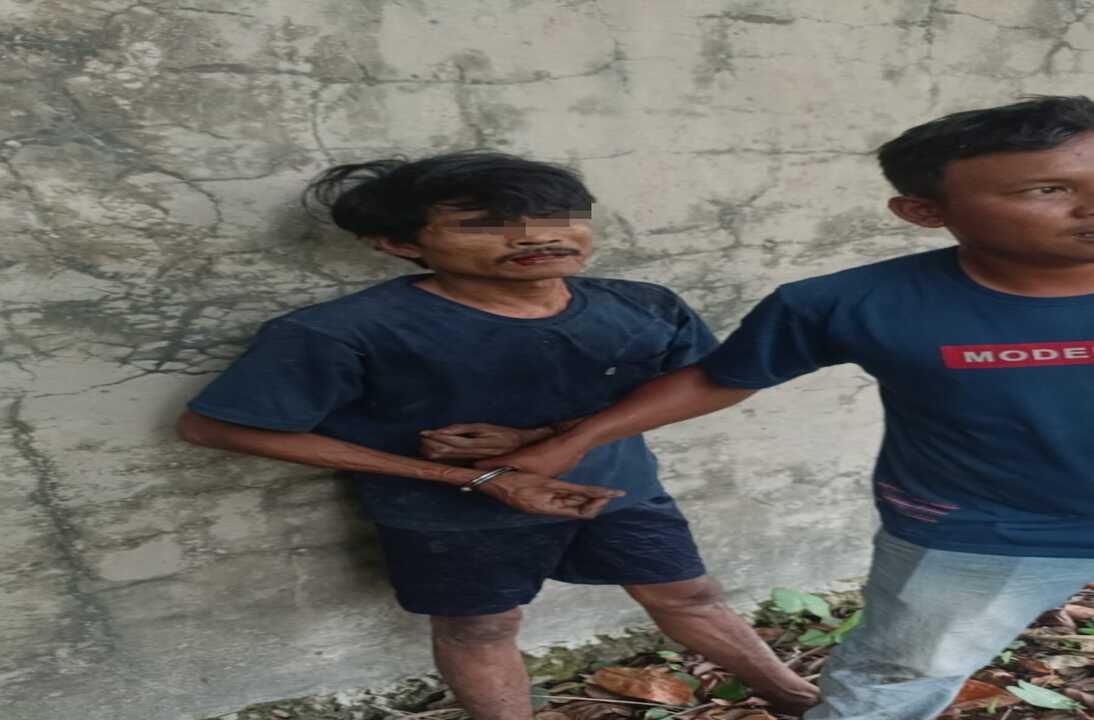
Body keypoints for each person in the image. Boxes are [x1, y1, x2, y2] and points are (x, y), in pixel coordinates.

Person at [484, 96, 1094, 719]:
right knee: (897, 682)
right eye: (1047, 189)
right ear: (924, 212)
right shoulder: (850, 303)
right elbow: (722, 378)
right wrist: (573, 441)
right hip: (982, 536)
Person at [175, 151, 819, 720]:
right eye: (483, 224)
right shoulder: (343, 331)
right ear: (399, 244)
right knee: (481, 628)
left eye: (560, 215)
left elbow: (703, 386)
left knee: (691, 596)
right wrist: (476, 476)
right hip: (450, 516)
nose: (538, 236)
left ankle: (805, 701)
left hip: (617, 488)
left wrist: (553, 436)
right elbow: (213, 427)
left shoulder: (644, 306)